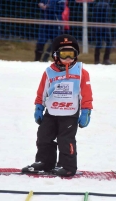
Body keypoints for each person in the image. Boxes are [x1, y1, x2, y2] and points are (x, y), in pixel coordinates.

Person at [23, 34, 93, 177]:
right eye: (64, 54)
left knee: (65, 140)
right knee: (43, 137)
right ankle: (44, 162)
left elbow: (86, 93)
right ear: (55, 55)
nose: (68, 57)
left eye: (71, 54)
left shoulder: (81, 72)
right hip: (51, 112)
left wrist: (86, 111)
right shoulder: (49, 72)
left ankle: (67, 166)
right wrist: (39, 107)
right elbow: (42, 91)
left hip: (70, 114)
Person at [92, 0, 113, 65]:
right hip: (104, 26)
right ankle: (106, 59)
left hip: (97, 26)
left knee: (99, 43)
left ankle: (96, 60)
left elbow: (94, 17)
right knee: (109, 42)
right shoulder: (106, 5)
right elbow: (106, 18)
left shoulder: (96, 5)